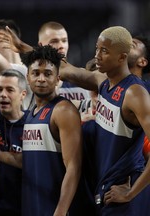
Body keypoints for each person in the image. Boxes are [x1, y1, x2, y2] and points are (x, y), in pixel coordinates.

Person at [59, 26, 150, 215]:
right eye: (97, 49)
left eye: (104, 51)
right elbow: (65, 68)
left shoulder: (136, 93)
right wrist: (22, 48)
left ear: (122, 57)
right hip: (104, 187)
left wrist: (131, 192)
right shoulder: (104, 82)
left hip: (124, 190)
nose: (97, 55)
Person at [21, 45, 83, 216]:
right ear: (27, 77)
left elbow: (74, 166)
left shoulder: (63, 111)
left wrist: (61, 211)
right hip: (32, 205)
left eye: (48, 74)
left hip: (54, 208)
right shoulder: (31, 113)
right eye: (35, 73)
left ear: (57, 78)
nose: (41, 78)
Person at [0, 69, 29, 216]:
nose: (3, 95)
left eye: (9, 90)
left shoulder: (33, 123)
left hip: (23, 206)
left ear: (22, 95)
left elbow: (29, 162)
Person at [38, 21, 91, 101]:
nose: (61, 46)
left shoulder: (82, 77)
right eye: (54, 41)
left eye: (64, 41)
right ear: (41, 45)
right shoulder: (33, 79)